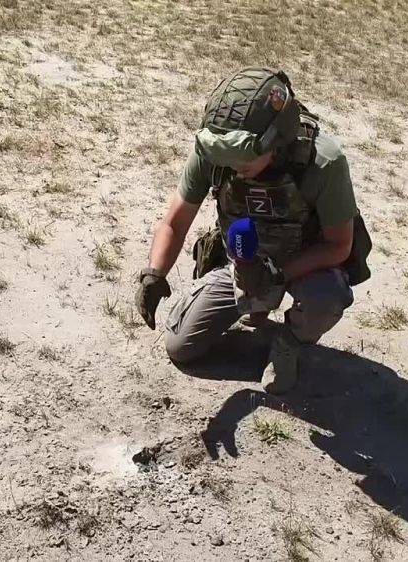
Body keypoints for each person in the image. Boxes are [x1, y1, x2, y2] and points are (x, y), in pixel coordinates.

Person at [135, 67, 371, 394]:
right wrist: (154, 274)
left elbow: (338, 246)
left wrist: (277, 274)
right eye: (228, 159)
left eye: (245, 159)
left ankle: (289, 343)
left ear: (276, 140)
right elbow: (175, 221)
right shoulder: (216, 153)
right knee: (181, 346)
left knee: (327, 297)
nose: (235, 168)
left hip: (305, 263)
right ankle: (253, 305)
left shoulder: (322, 162)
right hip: (243, 262)